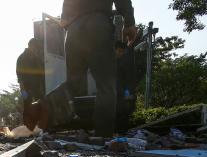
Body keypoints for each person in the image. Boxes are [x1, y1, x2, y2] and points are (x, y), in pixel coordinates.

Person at [23, 0, 137, 138]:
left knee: (74, 85)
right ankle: (103, 135)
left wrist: (73, 25)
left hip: (72, 32)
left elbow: (64, 18)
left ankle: (40, 106)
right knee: (106, 86)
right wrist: (129, 22)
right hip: (98, 26)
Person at [16, 38, 45, 108]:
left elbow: (41, 72)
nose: (37, 49)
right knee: (28, 109)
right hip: (26, 88)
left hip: (37, 88)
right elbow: (19, 76)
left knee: (41, 107)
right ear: (31, 46)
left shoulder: (37, 58)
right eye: (36, 47)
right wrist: (23, 91)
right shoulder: (21, 58)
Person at [115, 41, 136, 133]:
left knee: (123, 115)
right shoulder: (111, 63)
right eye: (119, 51)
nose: (121, 54)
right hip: (116, 96)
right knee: (118, 116)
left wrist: (128, 92)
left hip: (122, 95)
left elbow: (128, 80)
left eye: (122, 52)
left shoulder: (123, 62)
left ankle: (122, 134)